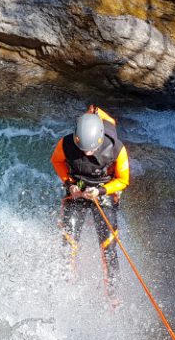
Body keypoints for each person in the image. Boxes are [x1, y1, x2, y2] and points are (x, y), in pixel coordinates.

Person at [50, 105, 130, 299]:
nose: (86, 153)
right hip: (77, 188)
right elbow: (57, 161)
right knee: (68, 240)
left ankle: (113, 297)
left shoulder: (116, 149)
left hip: (103, 191)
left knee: (108, 247)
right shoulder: (66, 144)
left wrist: (101, 191)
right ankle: (65, 285)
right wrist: (70, 185)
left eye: (91, 149)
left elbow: (123, 181)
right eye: (83, 149)